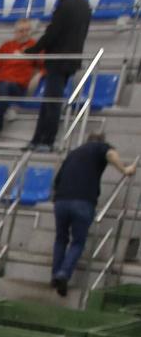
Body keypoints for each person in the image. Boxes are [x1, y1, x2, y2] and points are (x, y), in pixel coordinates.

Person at [50, 126, 136, 295]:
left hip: (61, 200)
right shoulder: (100, 147)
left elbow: (57, 179)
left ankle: (55, 275)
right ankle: (63, 274)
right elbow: (110, 154)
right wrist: (125, 170)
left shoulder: (73, 153)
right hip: (83, 201)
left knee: (61, 239)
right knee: (78, 241)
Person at [28, 0, 93, 149]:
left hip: (58, 60)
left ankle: (46, 140)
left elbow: (52, 33)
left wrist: (32, 50)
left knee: (51, 102)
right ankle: (38, 139)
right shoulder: (85, 6)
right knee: (50, 101)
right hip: (70, 59)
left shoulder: (65, 6)